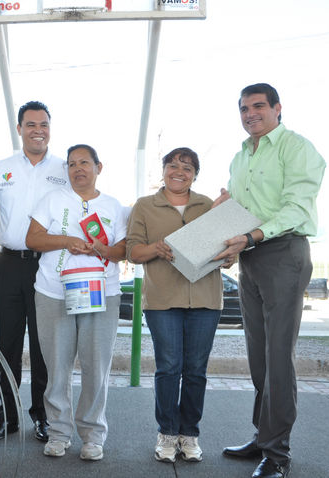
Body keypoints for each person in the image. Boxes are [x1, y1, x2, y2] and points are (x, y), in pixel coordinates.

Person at [214, 83, 325, 478]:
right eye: (244, 108)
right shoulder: (240, 156)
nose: (250, 114)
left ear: (278, 108)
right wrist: (225, 234)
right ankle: (263, 437)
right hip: (250, 256)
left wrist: (251, 236)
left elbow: (296, 209)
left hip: (284, 253)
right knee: (259, 357)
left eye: (258, 106)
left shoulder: (297, 148)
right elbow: (238, 209)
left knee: (278, 357)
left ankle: (277, 454)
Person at [126, 147, 226, 464]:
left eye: (187, 167)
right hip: (162, 300)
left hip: (206, 299)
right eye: (172, 165)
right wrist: (156, 248)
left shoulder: (208, 206)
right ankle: (167, 433)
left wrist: (228, 253)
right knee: (169, 368)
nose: (179, 171)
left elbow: (227, 253)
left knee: (196, 370)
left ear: (195, 174)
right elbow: (132, 252)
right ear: (163, 170)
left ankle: (190, 434)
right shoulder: (145, 206)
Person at [26, 144, 126, 461]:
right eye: (71, 164)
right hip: (53, 291)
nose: (78, 168)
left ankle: (93, 436)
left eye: (84, 162)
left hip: (102, 293)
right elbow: (33, 239)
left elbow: (123, 250)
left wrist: (102, 248)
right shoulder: (52, 200)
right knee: (57, 367)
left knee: (96, 367)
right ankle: (58, 432)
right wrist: (66, 241)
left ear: (99, 167)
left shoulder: (114, 206)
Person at [0, 101, 68, 442]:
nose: (38, 130)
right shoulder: (1, 170)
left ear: (50, 128)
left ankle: (43, 416)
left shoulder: (65, 169)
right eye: (31, 124)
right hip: (8, 265)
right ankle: (7, 416)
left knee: (45, 346)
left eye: (43, 124)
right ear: (19, 128)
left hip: (49, 266)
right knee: (8, 345)